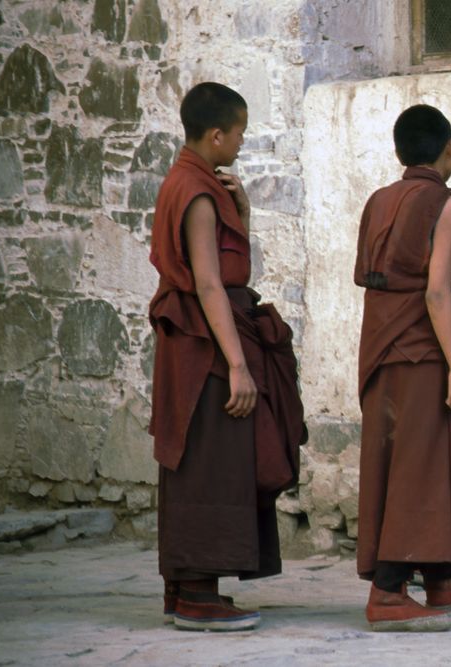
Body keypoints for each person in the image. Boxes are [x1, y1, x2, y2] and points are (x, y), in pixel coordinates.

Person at [148, 82, 305, 631]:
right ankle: (196, 592)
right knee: (210, 460)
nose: (240, 144)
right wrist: (238, 364)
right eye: (238, 134)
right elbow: (210, 285)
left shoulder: (200, 184)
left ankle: (185, 588)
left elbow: (234, 270)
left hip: (204, 337)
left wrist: (242, 211)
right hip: (206, 345)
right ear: (216, 135)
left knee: (209, 457)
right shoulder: (193, 192)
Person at [354, 104, 451, 632]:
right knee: (422, 466)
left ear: (398, 151)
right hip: (425, 350)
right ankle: (388, 591)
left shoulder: (378, 200)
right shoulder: (448, 203)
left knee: (408, 461)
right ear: (449, 150)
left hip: (383, 347)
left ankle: (437, 576)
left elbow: (389, 269)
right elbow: (434, 291)